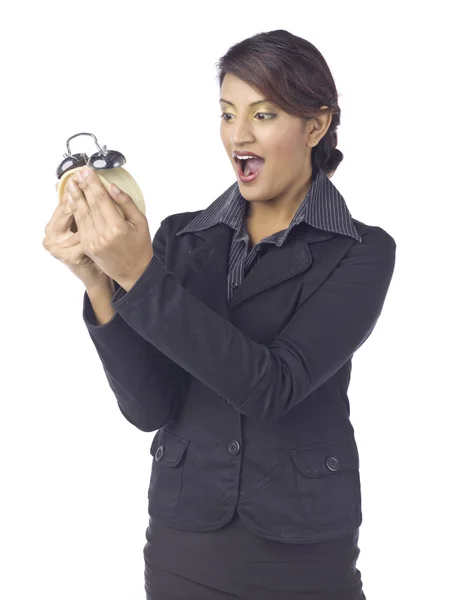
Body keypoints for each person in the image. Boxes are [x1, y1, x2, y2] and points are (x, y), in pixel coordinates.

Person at [43, 29, 396, 600]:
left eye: (263, 114)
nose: (239, 135)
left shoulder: (361, 251)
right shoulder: (181, 238)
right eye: (228, 114)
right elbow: (149, 406)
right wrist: (101, 282)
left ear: (316, 125)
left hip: (304, 553)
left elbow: (272, 388)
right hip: (183, 545)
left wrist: (138, 275)